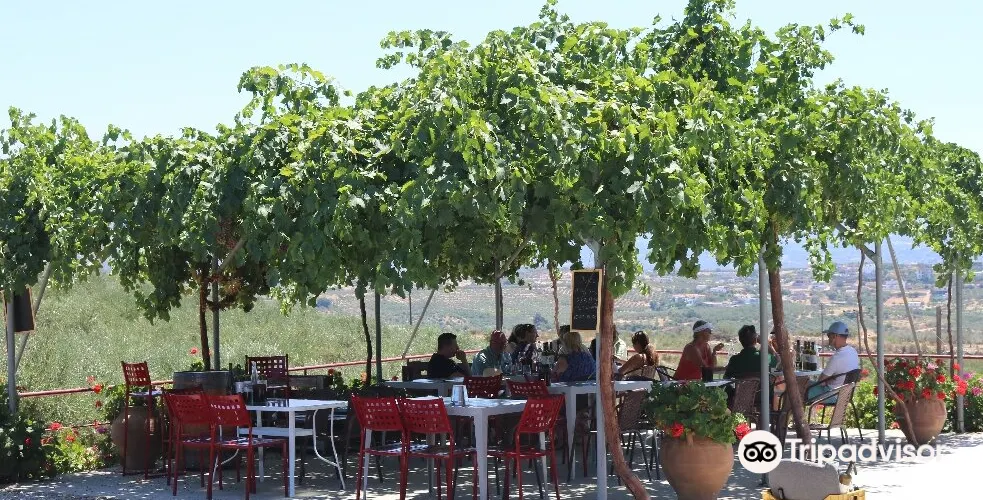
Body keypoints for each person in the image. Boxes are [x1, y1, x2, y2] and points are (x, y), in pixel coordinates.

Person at [807, 321, 860, 402]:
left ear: (835, 336)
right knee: (803, 384)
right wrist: (828, 380)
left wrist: (826, 381)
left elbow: (820, 382)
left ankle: (789, 410)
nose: (828, 338)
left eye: (829, 335)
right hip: (845, 395)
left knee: (797, 388)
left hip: (832, 395)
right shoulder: (853, 352)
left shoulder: (837, 357)